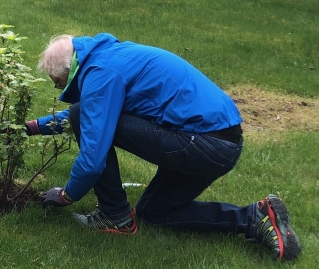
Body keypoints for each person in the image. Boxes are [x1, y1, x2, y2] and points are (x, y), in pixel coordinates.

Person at [29, 33, 301, 262]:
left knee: (80, 115)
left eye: (59, 84)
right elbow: (95, 109)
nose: (60, 90)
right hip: (223, 145)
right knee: (153, 213)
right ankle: (254, 217)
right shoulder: (109, 57)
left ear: (69, 72)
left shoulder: (101, 73)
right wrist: (33, 127)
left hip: (201, 144)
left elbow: (91, 152)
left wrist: (66, 195)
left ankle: (114, 216)